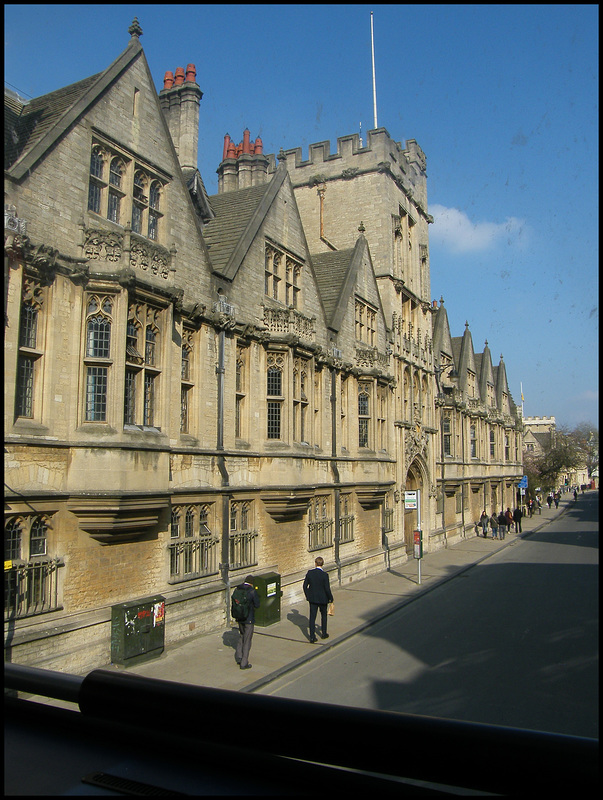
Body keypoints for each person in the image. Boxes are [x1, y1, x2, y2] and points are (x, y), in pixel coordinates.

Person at [303, 556, 334, 643]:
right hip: (323, 599)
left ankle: (312, 637)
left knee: (312, 618)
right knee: (323, 616)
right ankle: (324, 633)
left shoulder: (310, 573)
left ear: (315, 563)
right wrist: (330, 598)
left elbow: (305, 586)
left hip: (312, 599)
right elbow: (327, 589)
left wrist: (308, 596)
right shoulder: (325, 575)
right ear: (322, 564)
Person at [233, 575, 260, 670]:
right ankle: (244, 663)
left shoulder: (238, 589)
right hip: (249, 619)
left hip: (240, 618)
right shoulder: (252, 591)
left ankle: (239, 657)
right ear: (251, 583)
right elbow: (257, 604)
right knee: (247, 640)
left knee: (241, 636)